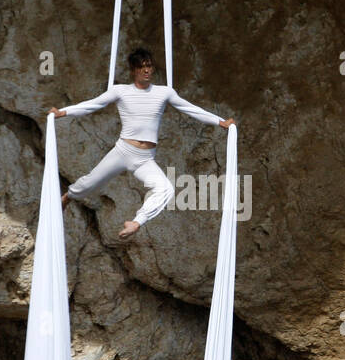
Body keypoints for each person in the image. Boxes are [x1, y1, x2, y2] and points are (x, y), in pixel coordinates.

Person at [48, 48, 235, 239]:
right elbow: (92, 104)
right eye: (142, 67)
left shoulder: (164, 93)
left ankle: (137, 222)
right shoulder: (120, 91)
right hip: (123, 151)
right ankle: (68, 197)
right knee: (91, 182)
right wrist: (63, 112)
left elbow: (190, 109)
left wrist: (220, 122)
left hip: (145, 158)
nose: (147, 71)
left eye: (149, 66)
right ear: (133, 70)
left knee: (166, 189)